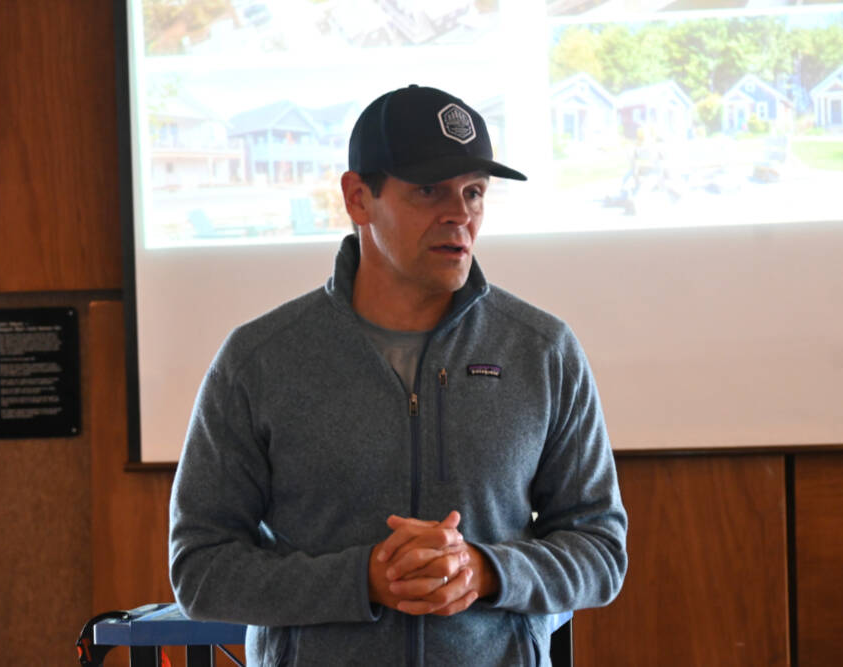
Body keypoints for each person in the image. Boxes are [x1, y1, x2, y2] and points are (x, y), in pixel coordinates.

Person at [169, 84, 628, 666]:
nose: (459, 214)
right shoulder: (259, 360)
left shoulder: (542, 350)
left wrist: (486, 571)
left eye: (474, 192)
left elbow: (601, 550)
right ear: (358, 198)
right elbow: (201, 566)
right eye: (429, 190)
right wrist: (362, 580)